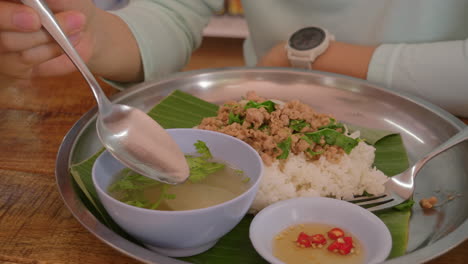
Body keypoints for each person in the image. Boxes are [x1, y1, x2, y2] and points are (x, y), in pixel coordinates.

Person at [1, 0, 467, 116]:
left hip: (446, 128)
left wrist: (311, 58)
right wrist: (95, 36)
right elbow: (172, 10)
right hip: (257, 110)